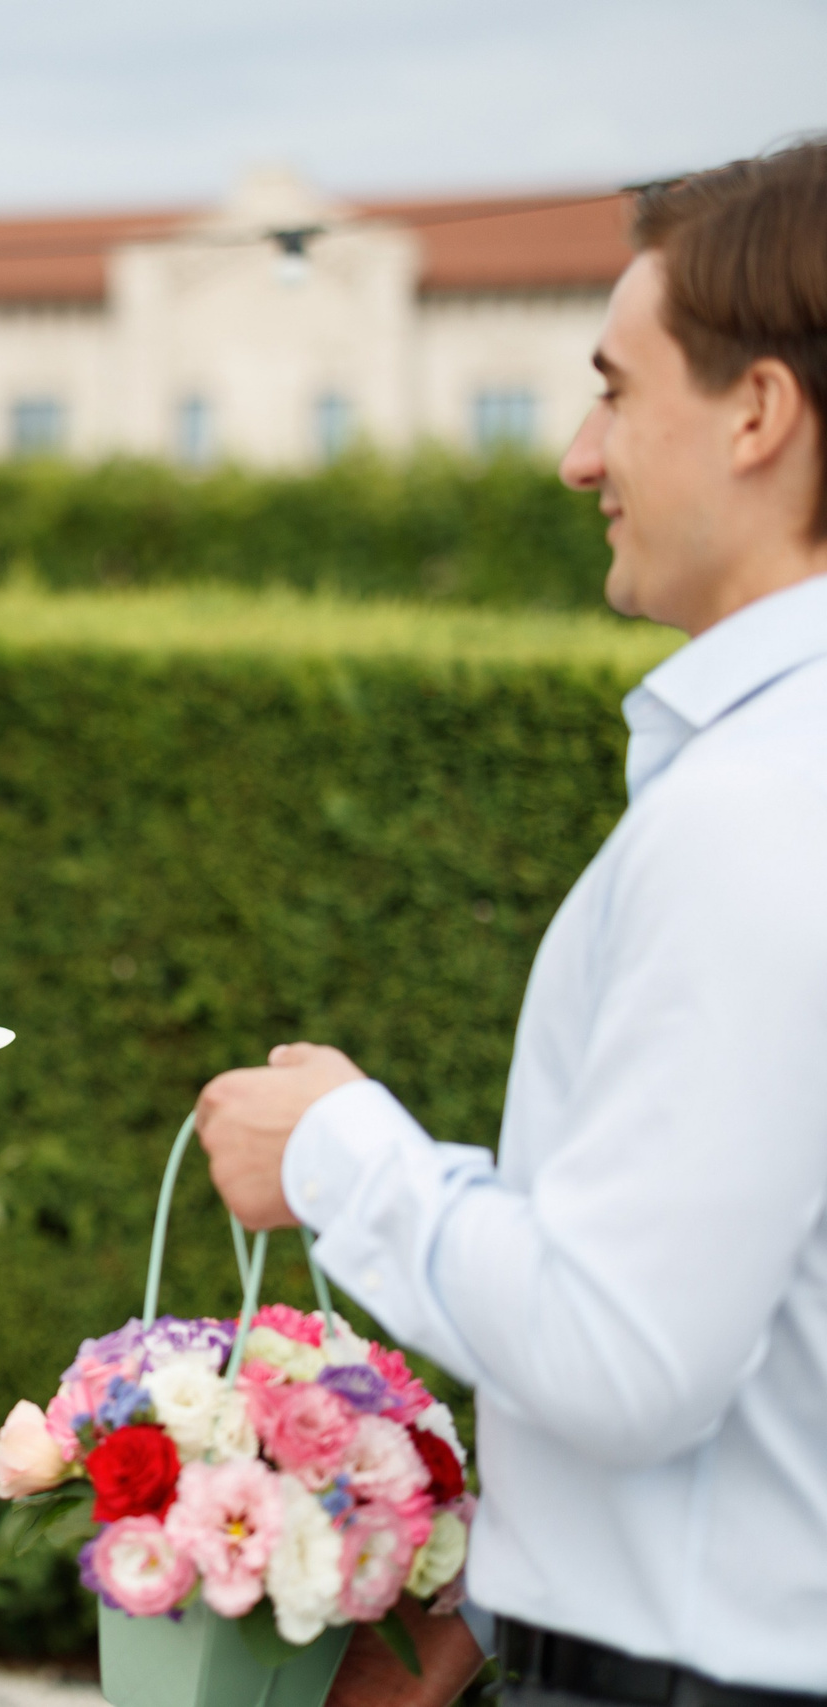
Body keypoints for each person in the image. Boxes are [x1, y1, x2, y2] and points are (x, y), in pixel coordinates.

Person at [195, 140, 827, 1706]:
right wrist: (485, 1600)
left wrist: (340, 1150)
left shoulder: (762, 804)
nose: (575, 454)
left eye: (615, 390)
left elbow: (629, 1355)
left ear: (757, 413)